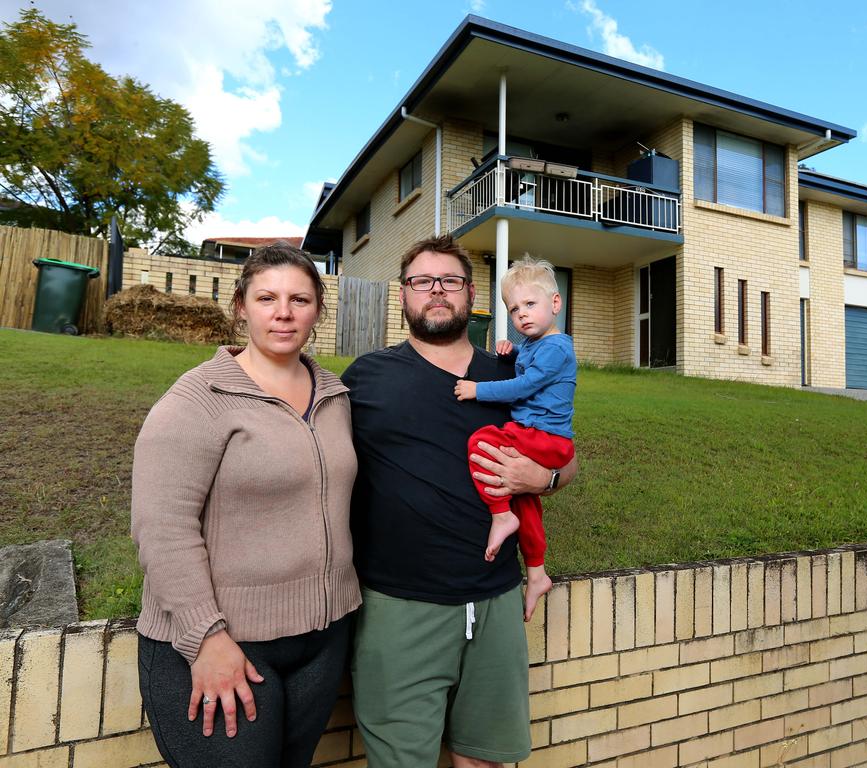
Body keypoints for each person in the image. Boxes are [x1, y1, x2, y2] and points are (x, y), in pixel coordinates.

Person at [342, 234, 577, 768]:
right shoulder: (366, 378)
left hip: (495, 601)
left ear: (470, 294)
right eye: (422, 281)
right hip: (400, 606)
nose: (436, 291)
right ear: (403, 295)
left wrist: (541, 477)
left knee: (486, 760)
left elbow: (566, 457)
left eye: (449, 280)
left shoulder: (510, 374)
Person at [131, 243, 361, 768]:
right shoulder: (198, 399)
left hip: (321, 640)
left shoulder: (335, 396)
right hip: (225, 644)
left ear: (318, 311)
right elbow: (161, 527)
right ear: (241, 307)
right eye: (267, 298)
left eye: (299, 299)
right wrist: (205, 637)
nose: (284, 312)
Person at [453, 255, 576, 623]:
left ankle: (499, 516)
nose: (521, 314)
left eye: (530, 305)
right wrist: (513, 349)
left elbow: (526, 384)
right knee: (526, 503)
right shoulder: (539, 346)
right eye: (514, 308)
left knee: (483, 442)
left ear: (555, 304)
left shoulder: (557, 347)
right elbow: (528, 362)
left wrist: (478, 390)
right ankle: (537, 573)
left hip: (545, 438)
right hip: (543, 438)